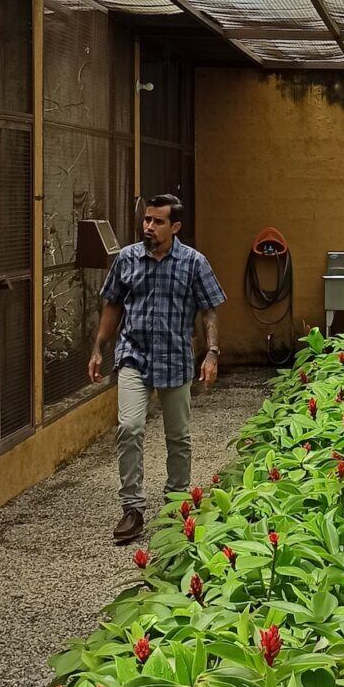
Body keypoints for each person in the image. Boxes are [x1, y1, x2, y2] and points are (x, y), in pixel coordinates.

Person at [89, 193, 226, 544]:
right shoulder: (127, 259)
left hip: (175, 358)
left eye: (157, 221)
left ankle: (176, 504)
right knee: (130, 427)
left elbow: (210, 309)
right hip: (133, 355)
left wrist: (211, 353)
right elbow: (112, 305)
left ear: (175, 226)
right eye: (146, 220)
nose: (148, 226)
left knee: (177, 437)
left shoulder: (194, 263)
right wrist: (98, 349)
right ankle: (132, 507)